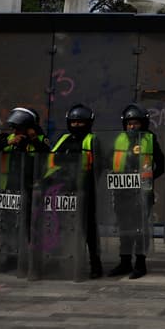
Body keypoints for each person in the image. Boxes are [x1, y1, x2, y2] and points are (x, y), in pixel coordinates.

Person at [43, 103, 104, 279]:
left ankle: (95, 264)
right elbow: (51, 160)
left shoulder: (92, 140)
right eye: (74, 122)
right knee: (59, 226)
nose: (77, 125)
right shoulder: (63, 139)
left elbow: (98, 166)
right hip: (61, 190)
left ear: (89, 123)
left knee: (88, 229)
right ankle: (58, 260)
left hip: (84, 190)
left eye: (81, 122)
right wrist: (49, 180)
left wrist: (86, 182)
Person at [107, 104, 165, 279]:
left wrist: (148, 178)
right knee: (124, 227)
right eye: (129, 123)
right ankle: (124, 262)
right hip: (121, 191)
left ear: (143, 124)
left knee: (140, 228)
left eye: (136, 123)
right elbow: (110, 161)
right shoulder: (119, 139)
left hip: (141, 192)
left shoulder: (150, 139)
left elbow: (160, 164)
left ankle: (140, 264)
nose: (132, 126)